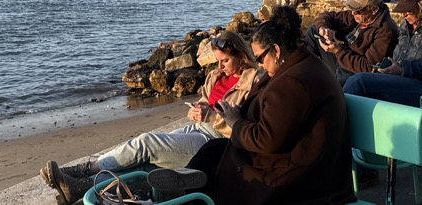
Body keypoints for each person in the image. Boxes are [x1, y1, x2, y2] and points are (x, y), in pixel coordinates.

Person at [163, 6, 356, 205]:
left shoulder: (295, 81)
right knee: (212, 150)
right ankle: (185, 186)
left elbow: (267, 140)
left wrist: (235, 122)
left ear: (276, 50)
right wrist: (239, 113)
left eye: (260, 58)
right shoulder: (298, 65)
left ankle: (185, 194)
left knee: (214, 177)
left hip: (297, 177)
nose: (260, 64)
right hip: (289, 157)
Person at [39, 31, 259, 205]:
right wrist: (195, 110)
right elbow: (203, 103)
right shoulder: (215, 75)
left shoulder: (253, 82)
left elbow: (242, 127)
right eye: (218, 60)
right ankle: (83, 187)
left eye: (225, 61)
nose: (220, 66)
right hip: (196, 129)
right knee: (147, 164)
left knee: (146, 143)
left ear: (241, 55)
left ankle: (85, 170)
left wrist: (210, 116)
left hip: (216, 141)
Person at [343, 0, 422, 111]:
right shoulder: (405, 27)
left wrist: (403, 69)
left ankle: (340, 121)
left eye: (408, 10)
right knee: (358, 84)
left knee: (359, 81)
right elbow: (398, 58)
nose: (403, 14)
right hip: (401, 82)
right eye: (402, 10)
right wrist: (385, 68)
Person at [304, 0, 398, 85]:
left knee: (341, 79)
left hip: (353, 70)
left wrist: (337, 51)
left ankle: (330, 84)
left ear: (374, 10)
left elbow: (368, 67)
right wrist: (323, 28)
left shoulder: (386, 30)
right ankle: (305, 72)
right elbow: (327, 16)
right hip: (341, 58)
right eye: (352, 8)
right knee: (314, 30)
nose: (353, 13)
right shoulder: (357, 16)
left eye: (357, 10)